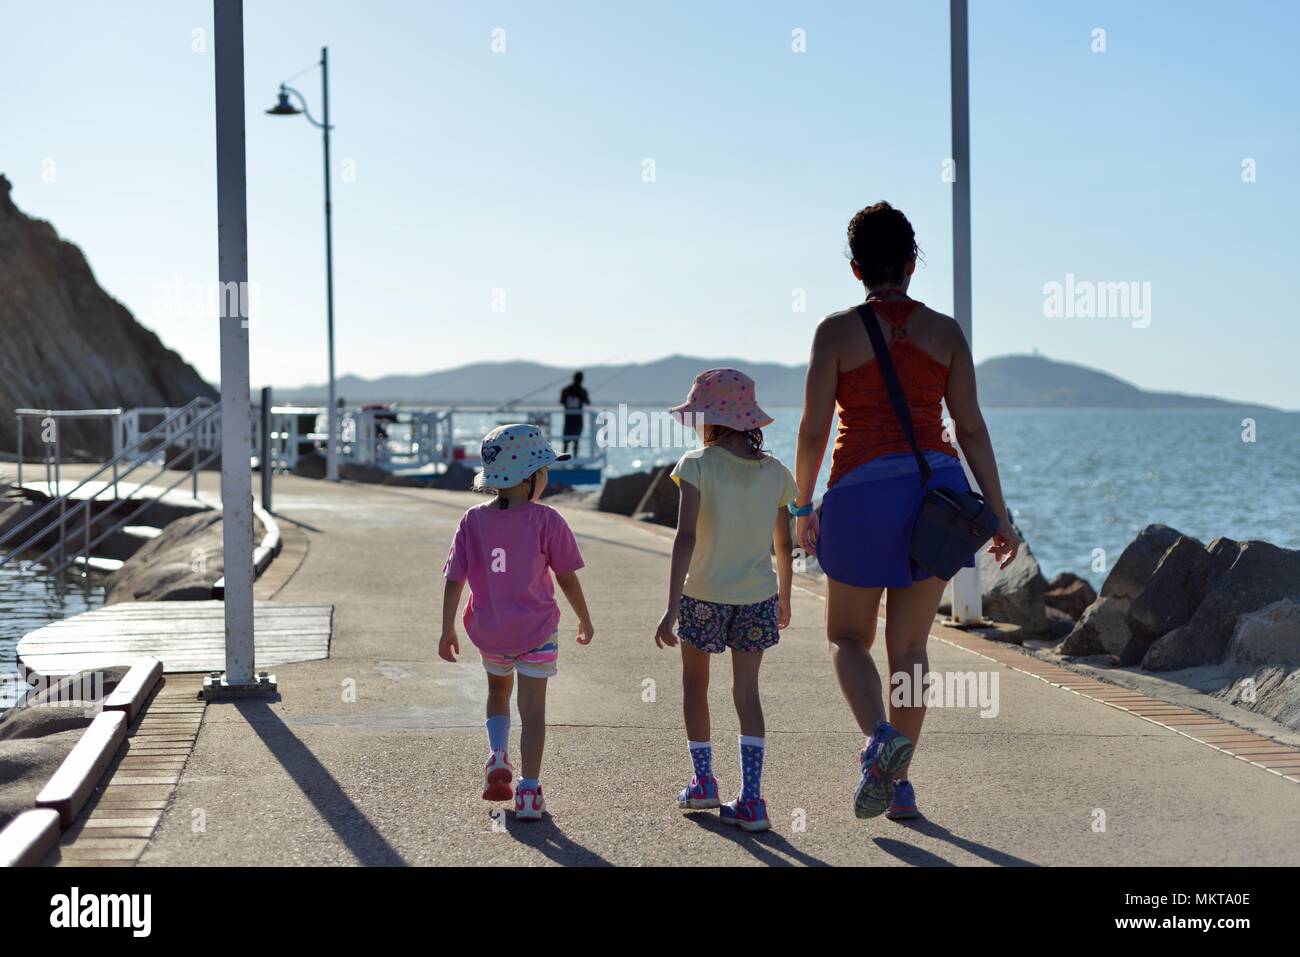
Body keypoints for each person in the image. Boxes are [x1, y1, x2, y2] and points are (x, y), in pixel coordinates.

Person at [793, 202, 1019, 822]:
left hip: (862, 495)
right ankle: (901, 785)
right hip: (936, 498)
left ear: (856, 268)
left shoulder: (835, 332)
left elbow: (814, 431)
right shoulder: (945, 333)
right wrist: (999, 513)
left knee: (846, 637)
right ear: (913, 264)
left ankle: (878, 740)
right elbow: (969, 427)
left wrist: (800, 505)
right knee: (911, 647)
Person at [653, 369, 799, 833]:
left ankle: (703, 783)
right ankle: (752, 799)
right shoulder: (775, 472)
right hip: (758, 596)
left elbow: (686, 537)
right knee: (747, 693)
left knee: (695, 686)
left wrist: (670, 605)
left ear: (709, 419)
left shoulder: (696, 465)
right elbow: (784, 544)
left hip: (703, 596)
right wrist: (786, 598)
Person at [439, 423, 595, 821]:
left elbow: (454, 577)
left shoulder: (473, 520)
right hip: (537, 631)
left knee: (497, 691)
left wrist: (447, 628)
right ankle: (528, 791)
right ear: (531, 477)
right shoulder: (546, 520)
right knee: (534, 710)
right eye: (545, 472)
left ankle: (497, 753)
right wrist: (584, 617)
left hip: (490, 632)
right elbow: (566, 576)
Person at [558, 372, 590, 455]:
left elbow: (587, 402)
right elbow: (562, 401)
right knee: (568, 441)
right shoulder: (569, 390)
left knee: (574, 441)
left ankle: (570, 458)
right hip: (570, 420)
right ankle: (566, 459)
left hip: (575, 420)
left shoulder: (569, 390)